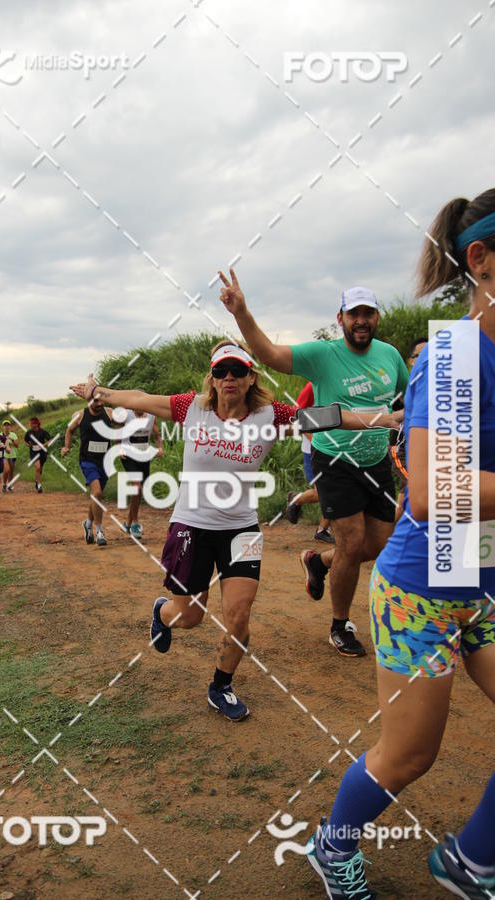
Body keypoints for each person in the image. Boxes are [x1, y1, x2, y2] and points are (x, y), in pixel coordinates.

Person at [306, 189, 495, 899]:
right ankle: (333, 848)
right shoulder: (453, 357)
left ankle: (473, 860)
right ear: (481, 260)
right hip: (423, 588)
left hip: (485, 579)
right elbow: (430, 493)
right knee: (410, 754)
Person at [70, 342, 398, 720]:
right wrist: (98, 392)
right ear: (212, 377)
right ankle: (163, 614)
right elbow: (141, 399)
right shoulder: (191, 408)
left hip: (241, 528)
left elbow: (328, 418)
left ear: (250, 376)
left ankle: (221, 686)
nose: (229, 378)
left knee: (238, 615)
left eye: (238, 371)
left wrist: (385, 419)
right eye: (222, 371)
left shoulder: (270, 415)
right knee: (189, 616)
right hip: (191, 524)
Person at [219, 271, 409, 658]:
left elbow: (406, 401)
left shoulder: (389, 356)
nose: (361, 320)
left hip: (375, 462)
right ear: (340, 319)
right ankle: (341, 625)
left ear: (377, 318)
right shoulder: (323, 355)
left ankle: (318, 562)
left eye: (368, 313)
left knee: (379, 542)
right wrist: (241, 312)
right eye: (353, 313)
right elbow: (269, 353)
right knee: (352, 542)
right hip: (333, 458)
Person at [62, 396, 115, 546]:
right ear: (89, 401)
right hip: (87, 460)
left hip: (105, 461)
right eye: (96, 401)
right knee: (97, 493)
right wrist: (67, 446)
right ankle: (99, 531)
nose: (100, 404)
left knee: (95, 496)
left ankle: (88, 523)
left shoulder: (110, 413)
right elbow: (69, 430)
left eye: (101, 401)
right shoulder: (79, 415)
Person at [286, 381, 334, 543]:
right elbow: (297, 417)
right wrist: (315, 442)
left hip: (337, 447)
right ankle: (297, 500)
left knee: (335, 490)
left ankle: (322, 529)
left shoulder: (344, 381)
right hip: (313, 449)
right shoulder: (312, 386)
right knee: (324, 492)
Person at [389, 337, 428, 523]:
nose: (425, 358)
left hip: (422, 451)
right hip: (401, 449)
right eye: (419, 355)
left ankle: (387, 535)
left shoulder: (438, 384)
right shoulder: (405, 385)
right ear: (411, 360)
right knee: (416, 485)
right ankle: (390, 536)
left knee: (407, 493)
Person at [120, 409, 163, 539]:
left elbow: (156, 435)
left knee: (138, 491)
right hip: (128, 456)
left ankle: (127, 523)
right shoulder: (126, 415)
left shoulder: (151, 416)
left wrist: (160, 447)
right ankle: (135, 523)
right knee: (137, 487)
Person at [24, 417, 52, 492]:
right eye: (30, 424)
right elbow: (25, 442)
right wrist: (29, 445)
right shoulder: (29, 432)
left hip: (42, 452)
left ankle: (37, 480)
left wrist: (44, 445)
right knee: (37, 467)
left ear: (36, 424)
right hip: (33, 452)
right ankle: (39, 486)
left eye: (32, 424)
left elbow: (50, 440)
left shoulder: (42, 431)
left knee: (40, 469)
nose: (31, 425)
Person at [2, 419, 19, 492]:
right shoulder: (0, 435)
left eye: (8, 425)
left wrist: (12, 440)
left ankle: (10, 485)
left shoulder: (13, 435)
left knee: (11, 471)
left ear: (10, 427)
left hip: (12, 455)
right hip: (4, 455)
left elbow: (17, 445)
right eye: (5, 425)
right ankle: (4, 484)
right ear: (3, 427)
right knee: (6, 470)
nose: (6, 426)